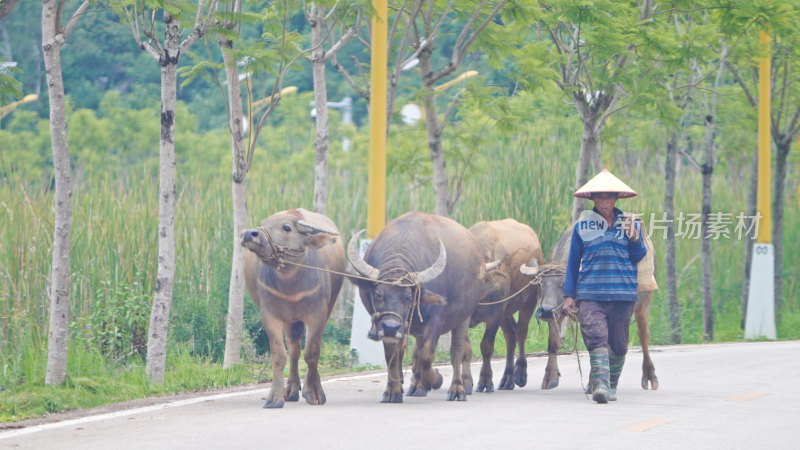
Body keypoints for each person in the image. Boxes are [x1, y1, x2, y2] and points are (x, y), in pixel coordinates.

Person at [563, 169, 647, 404]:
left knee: (619, 344)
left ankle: (611, 386)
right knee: (596, 336)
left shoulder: (629, 224)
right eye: (600, 197)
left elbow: (639, 255)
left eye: (609, 197)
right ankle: (599, 386)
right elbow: (573, 261)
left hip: (622, 293)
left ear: (616, 199)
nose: (604, 202)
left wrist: (634, 238)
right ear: (593, 200)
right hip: (591, 293)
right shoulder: (583, 227)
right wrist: (569, 295)